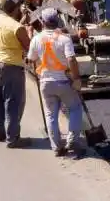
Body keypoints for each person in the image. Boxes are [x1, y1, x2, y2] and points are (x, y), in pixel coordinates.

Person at [27, 9, 85, 158]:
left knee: (50, 114)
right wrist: (77, 78)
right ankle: (72, 141)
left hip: (45, 82)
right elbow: (71, 59)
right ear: (57, 20)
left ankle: (56, 147)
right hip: (63, 81)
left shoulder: (36, 39)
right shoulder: (64, 39)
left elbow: (31, 59)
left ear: (43, 22)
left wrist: (30, 34)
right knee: (75, 108)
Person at [0, 0, 31, 148]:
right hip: (11, 66)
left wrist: (21, 22)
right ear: (16, 8)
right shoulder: (18, 27)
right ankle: (13, 138)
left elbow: (10, 30)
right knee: (13, 102)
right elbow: (28, 45)